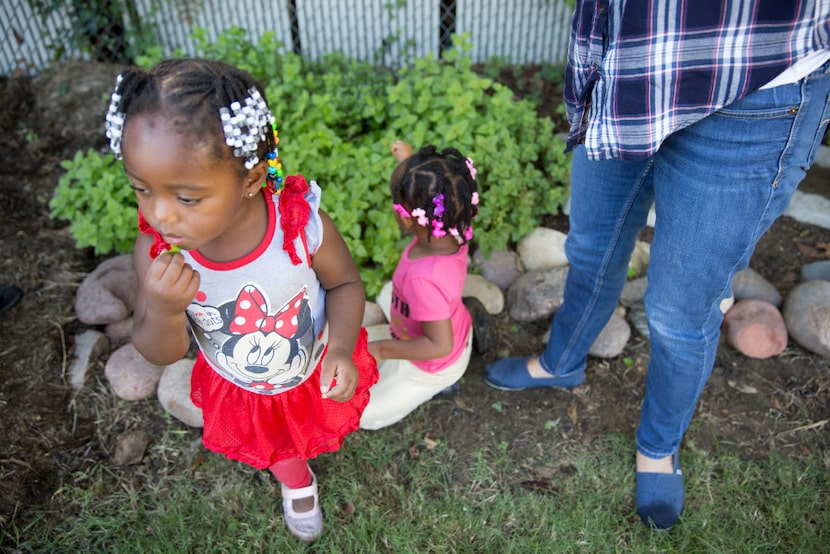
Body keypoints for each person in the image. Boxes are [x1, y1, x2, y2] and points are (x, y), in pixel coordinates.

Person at [484, 0, 830, 530]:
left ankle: (657, 446)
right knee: (591, 250)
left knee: (679, 311)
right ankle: (562, 362)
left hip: (753, 88)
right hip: (632, 72)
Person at [104, 58, 378, 542]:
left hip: (311, 364)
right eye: (141, 189)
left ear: (250, 180)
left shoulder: (298, 225)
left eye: (187, 198)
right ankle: (297, 485)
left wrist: (339, 348)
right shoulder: (158, 252)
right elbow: (161, 352)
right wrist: (166, 309)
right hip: (244, 388)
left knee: (316, 416)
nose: (161, 213)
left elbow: (344, 285)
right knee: (279, 445)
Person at [359, 141, 479, 430]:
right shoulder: (451, 226)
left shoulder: (424, 280)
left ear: (405, 217)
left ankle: (441, 385)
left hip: (430, 364)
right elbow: (433, 192)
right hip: (445, 321)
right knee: (390, 292)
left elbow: (439, 344)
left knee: (365, 414)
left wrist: (383, 350)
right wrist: (410, 161)